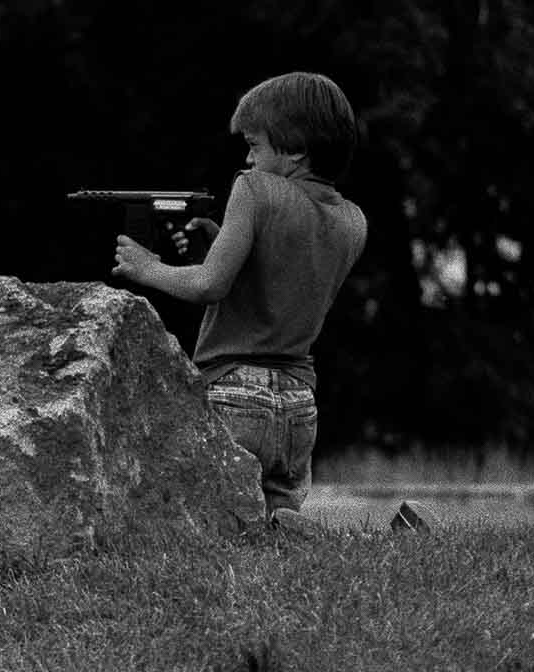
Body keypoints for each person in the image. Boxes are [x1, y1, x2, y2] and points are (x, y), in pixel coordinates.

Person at [110, 71, 375, 531]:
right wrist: (227, 243)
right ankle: (322, 536)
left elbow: (209, 285)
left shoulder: (253, 189)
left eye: (255, 146)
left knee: (212, 524)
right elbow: (285, 276)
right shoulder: (354, 222)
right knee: (274, 524)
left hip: (235, 394)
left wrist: (147, 268)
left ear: (293, 149)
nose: (248, 160)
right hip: (298, 403)